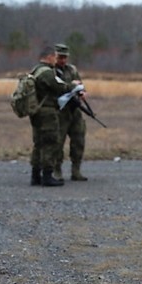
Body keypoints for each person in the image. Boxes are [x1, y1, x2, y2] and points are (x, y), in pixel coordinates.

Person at [29, 45, 77, 187]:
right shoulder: (47, 73)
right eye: (55, 57)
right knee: (50, 142)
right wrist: (73, 86)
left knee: (38, 143)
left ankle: (35, 175)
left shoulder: (35, 70)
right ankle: (47, 176)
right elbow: (59, 87)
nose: (56, 60)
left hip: (36, 111)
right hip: (47, 112)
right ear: (49, 57)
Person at [53, 43, 88, 182]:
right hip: (60, 111)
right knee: (58, 141)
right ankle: (56, 170)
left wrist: (82, 92)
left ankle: (76, 170)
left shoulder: (72, 70)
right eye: (60, 57)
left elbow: (80, 85)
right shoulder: (50, 71)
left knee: (79, 140)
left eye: (65, 57)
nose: (63, 60)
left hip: (75, 110)